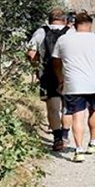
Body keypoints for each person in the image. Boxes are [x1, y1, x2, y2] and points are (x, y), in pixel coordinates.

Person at [51, 11, 95, 163]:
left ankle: (78, 149)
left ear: (74, 24)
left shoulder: (64, 40)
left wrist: (60, 79)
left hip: (73, 84)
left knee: (77, 116)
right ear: (90, 25)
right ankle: (93, 142)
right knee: (94, 110)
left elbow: (56, 62)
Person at [26, 8, 72, 152]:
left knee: (53, 108)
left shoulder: (41, 32)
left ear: (49, 19)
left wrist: (36, 68)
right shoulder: (71, 32)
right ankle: (65, 135)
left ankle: (57, 138)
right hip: (68, 73)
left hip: (48, 73)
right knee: (68, 107)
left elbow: (31, 53)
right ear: (64, 19)